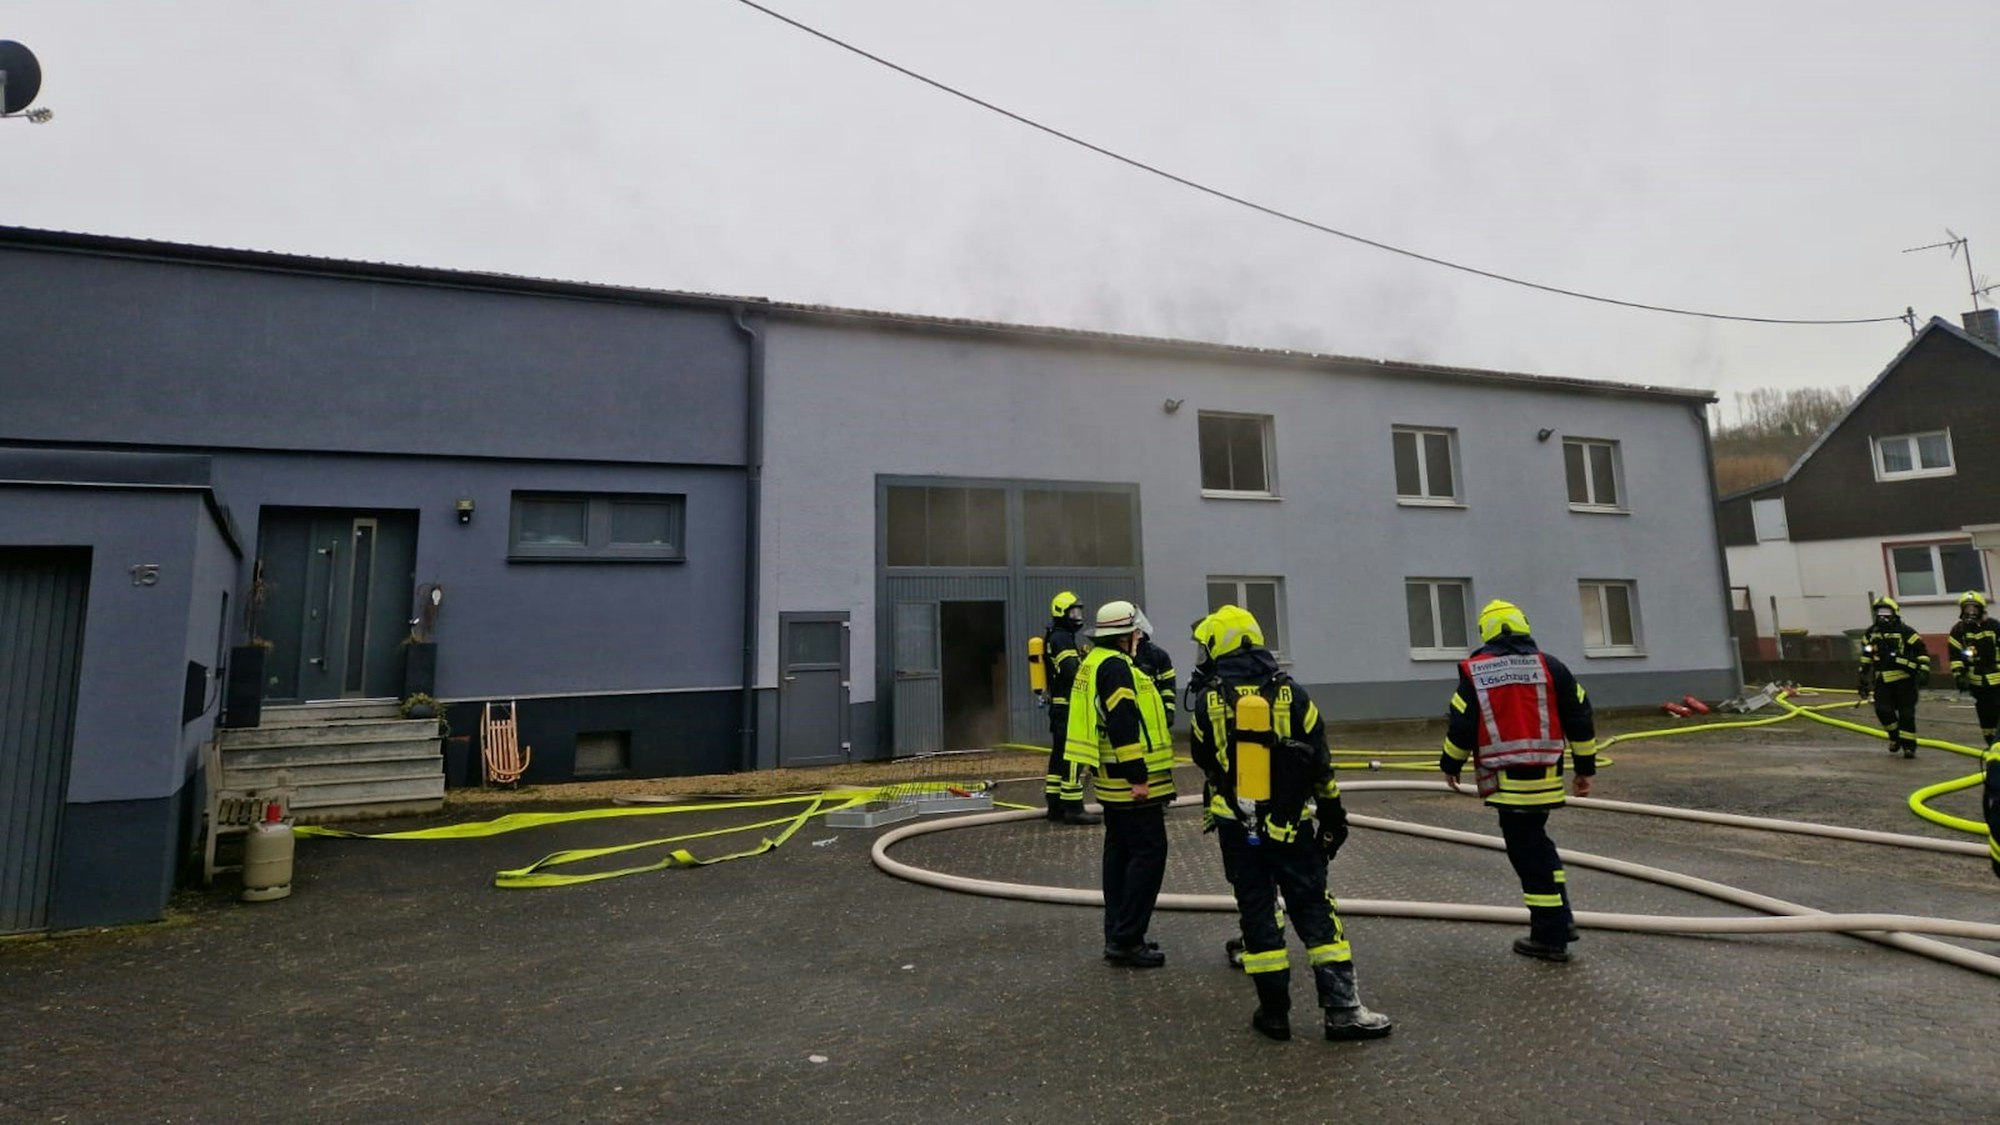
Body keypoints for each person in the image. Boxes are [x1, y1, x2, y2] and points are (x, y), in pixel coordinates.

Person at [1190, 605, 1393, 1041]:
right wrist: (1333, 814)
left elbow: (1203, 758)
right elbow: (1320, 760)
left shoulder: (1208, 700)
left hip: (1236, 827)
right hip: (1291, 826)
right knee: (1314, 907)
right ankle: (1342, 1010)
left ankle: (1274, 1014)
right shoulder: (1292, 694)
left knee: (1257, 910)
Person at [1441, 599, 1596, 963]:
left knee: (1529, 856)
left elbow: (1461, 724)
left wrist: (1450, 764)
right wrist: (1584, 769)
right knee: (1539, 846)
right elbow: (1580, 716)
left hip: (1507, 782)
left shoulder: (1477, 671)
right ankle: (1562, 920)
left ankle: (1549, 936)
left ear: (1486, 631)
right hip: (1546, 777)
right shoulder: (1551, 667)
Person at [1065, 599, 1176, 968]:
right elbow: (1122, 722)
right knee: (1148, 855)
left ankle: (1119, 934)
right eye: (1134, 632)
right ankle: (1128, 939)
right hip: (1130, 785)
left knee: (1120, 855)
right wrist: (1138, 777)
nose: (1138, 637)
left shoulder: (1096, 661)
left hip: (1112, 782)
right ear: (1123, 635)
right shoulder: (1115, 666)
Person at [1042, 592, 1099, 825]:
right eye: (1073, 612)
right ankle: (1074, 807)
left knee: (1058, 757)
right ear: (1061, 613)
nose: (1078, 617)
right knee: (1074, 755)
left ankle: (1055, 806)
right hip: (1068, 707)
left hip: (1060, 707)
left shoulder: (1056, 636)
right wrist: (1087, 663)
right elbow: (1071, 672)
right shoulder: (1062, 638)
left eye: (1079, 612)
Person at [1858, 596, 1931, 759]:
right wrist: (1863, 675)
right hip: (1882, 680)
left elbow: (1921, 652)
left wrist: (1924, 671)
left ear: (1894, 613)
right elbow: (1866, 654)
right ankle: (1894, 736)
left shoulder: (1906, 631)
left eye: (1886, 612)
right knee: (1882, 710)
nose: (1882, 616)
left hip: (1905, 680)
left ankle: (1909, 747)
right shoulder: (1871, 633)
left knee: (1906, 715)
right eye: (1879, 612)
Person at [1949, 591, 1999, 749]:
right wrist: (1959, 675)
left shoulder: (1994, 626)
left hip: (1998, 679)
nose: (1970, 612)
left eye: (1974, 608)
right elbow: (1955, 656)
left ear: (1981, 609)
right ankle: (1991, 745)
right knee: (1986, 715)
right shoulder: (1959, 631)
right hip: (1977, 682)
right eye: (1967, 608)